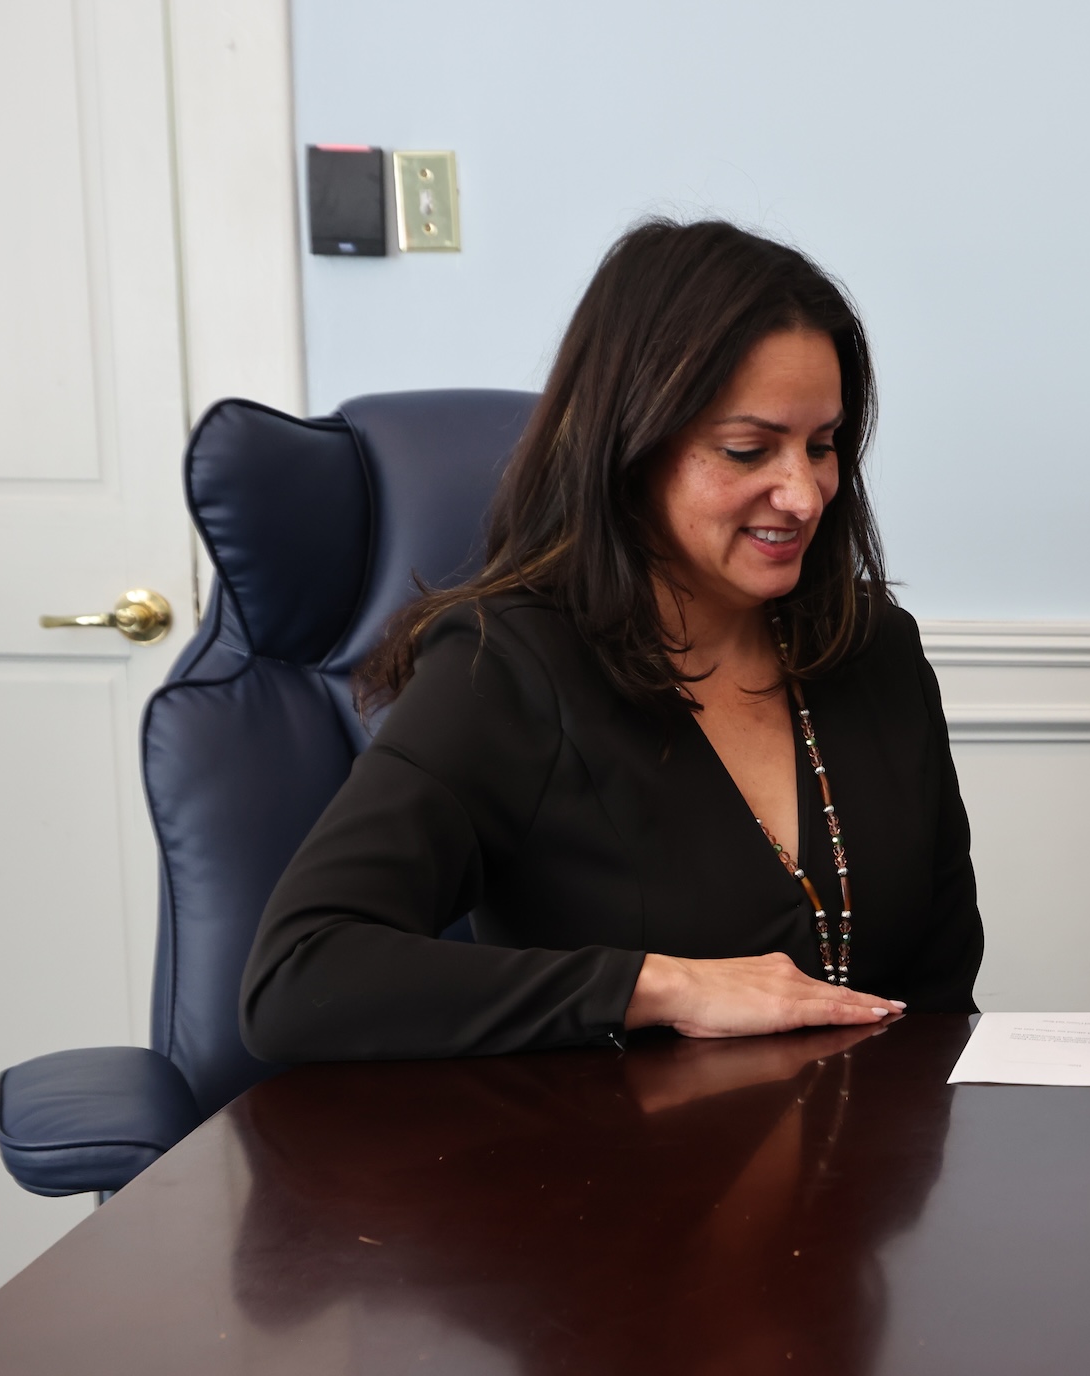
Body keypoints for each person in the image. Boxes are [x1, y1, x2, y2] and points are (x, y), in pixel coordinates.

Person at [243, 219, 981, 1064]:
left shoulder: (874, 647)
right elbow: (297, 976)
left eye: (822, 446)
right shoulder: (508, 667)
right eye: (748, 449)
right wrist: (664, 987)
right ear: (632, 445)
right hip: (609, 1148)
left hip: (871, 1145)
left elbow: (941, 1000)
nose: (805, 494)